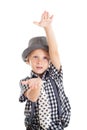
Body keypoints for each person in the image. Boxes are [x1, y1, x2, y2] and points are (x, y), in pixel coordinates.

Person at [19, 11, 71, 130]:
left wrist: (48, 27)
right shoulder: (26, 81)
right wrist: (35, 86)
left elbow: (55, 53)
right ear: (28, 61)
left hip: (56, 127)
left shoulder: (54, 75)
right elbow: (31, 97)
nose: (39, 62)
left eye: (45, 58)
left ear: (50, 61)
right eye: (35, 57)